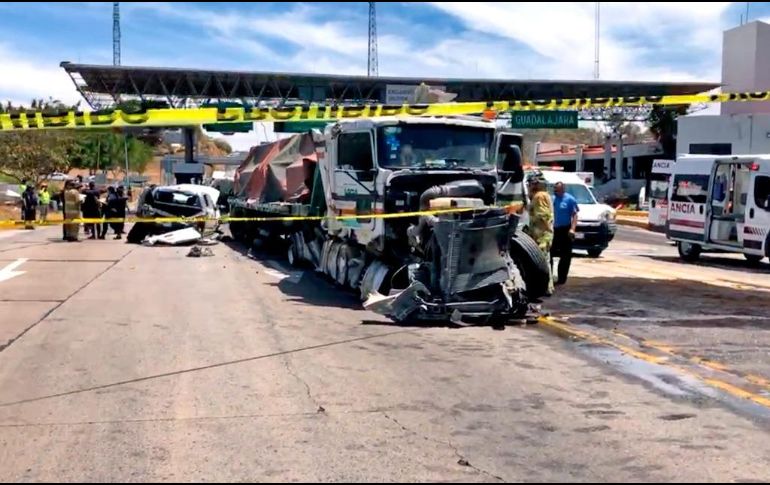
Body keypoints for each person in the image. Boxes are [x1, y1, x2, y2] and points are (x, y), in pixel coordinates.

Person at [526, 173, 554, 295]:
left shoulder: (539, 196)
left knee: (541, 261)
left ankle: (545, 287)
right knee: (545, 260)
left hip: (541, 235)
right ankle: (548, 286)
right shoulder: (543, 195)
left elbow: (542, 216)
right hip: (543, 234)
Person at [551, 181, 579, 286]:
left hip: (565, 229)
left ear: (562, 189)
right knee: (550, 254)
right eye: (554, 189)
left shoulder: (570, 199)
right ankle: (549, 277)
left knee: (565, 255)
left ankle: (562, 278)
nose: (555, 191)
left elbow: (575, 215)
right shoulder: (552, 198)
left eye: (557, 189)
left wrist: (572, 229)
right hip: (553, 229)